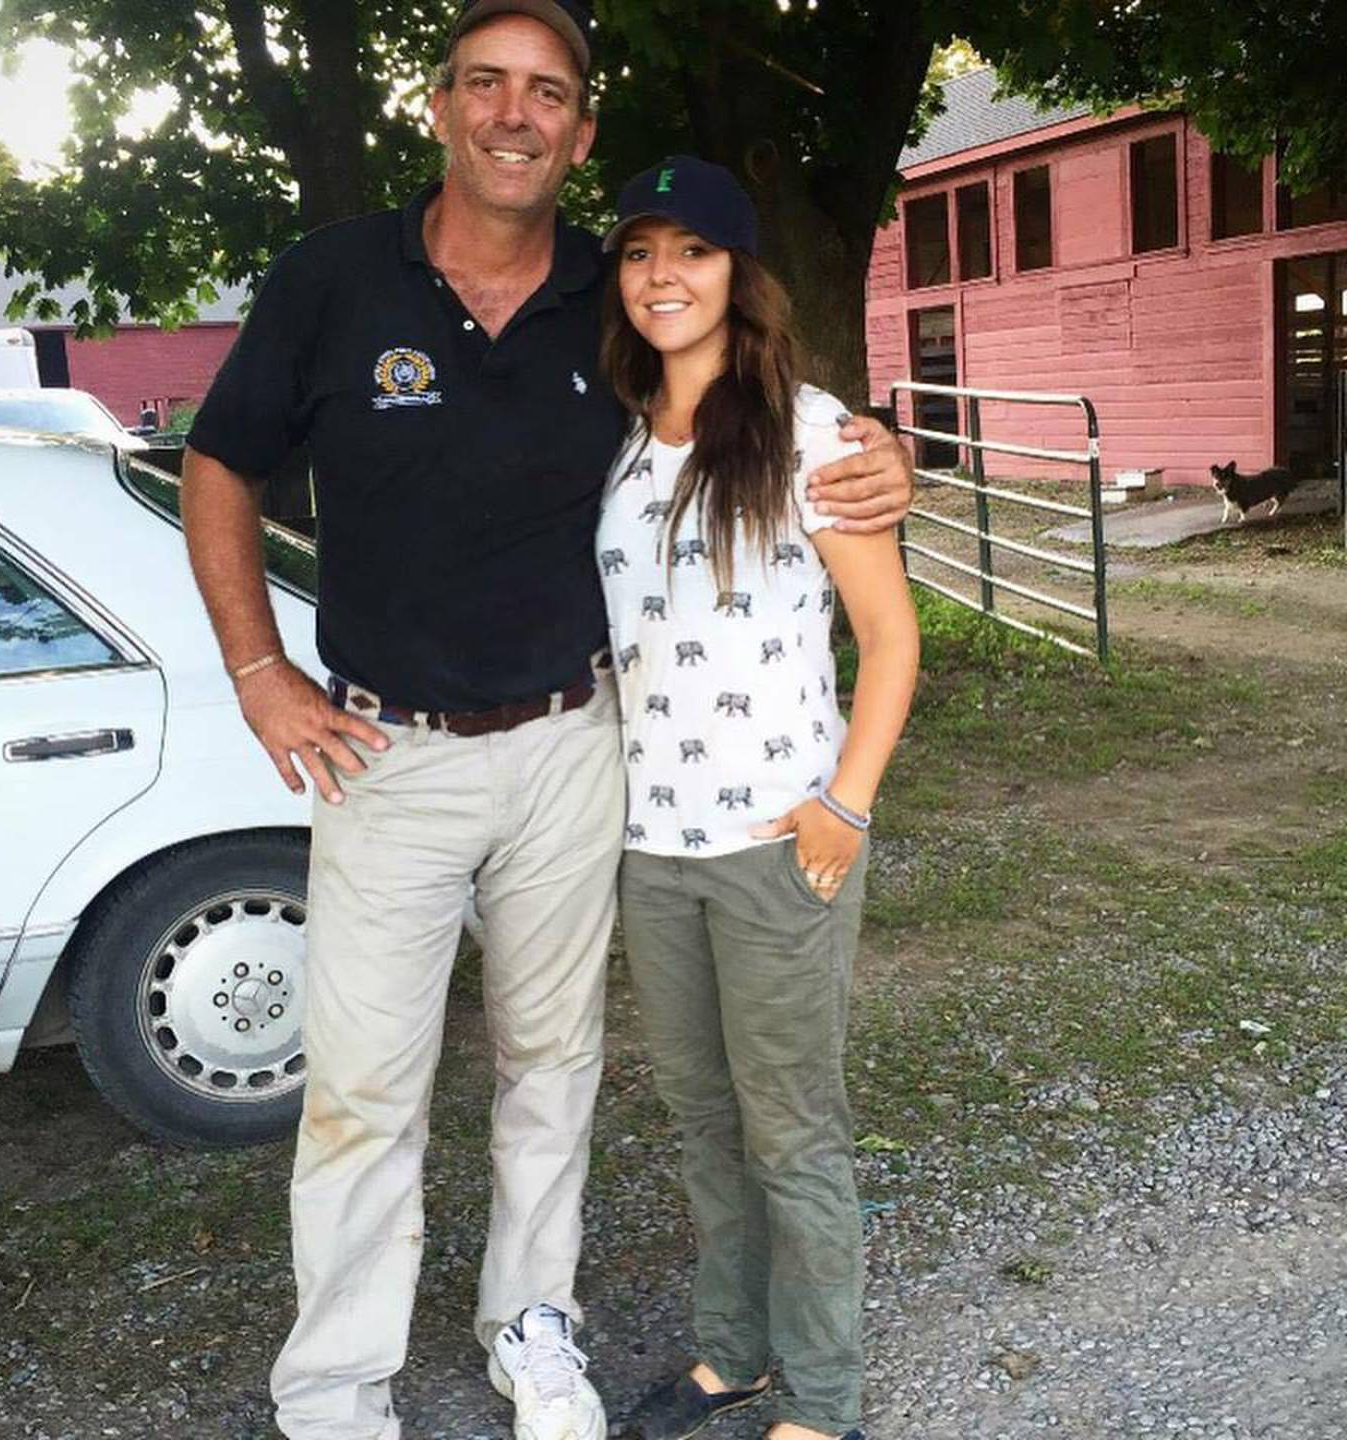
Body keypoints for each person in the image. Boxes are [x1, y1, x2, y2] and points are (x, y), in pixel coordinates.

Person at [178, 4, 914, 1439]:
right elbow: (220, 465)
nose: (516, 116)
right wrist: (261, 670)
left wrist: (888, 452)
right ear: (441, 107)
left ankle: (536, 1327)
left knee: (554, 1067)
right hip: (386, 755)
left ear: (579, 133)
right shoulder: (333, 279)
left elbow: (759, 406)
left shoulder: (607, 292)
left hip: (582, 752)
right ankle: (336, 1383)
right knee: (363, 1087)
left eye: (550, 95)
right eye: (488, 87)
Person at [595, 158, 919, 1440]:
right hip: (652, 847)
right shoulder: (622, 447)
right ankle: (732, 1352)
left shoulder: (813, 432)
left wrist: (846, 803)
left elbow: (890, 639)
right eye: (638, 254)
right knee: (701, 1122)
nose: (663, 277)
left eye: (693, 252)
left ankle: (826, 1396)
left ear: (739, 276)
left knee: (792, 1133)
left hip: (778, 842)